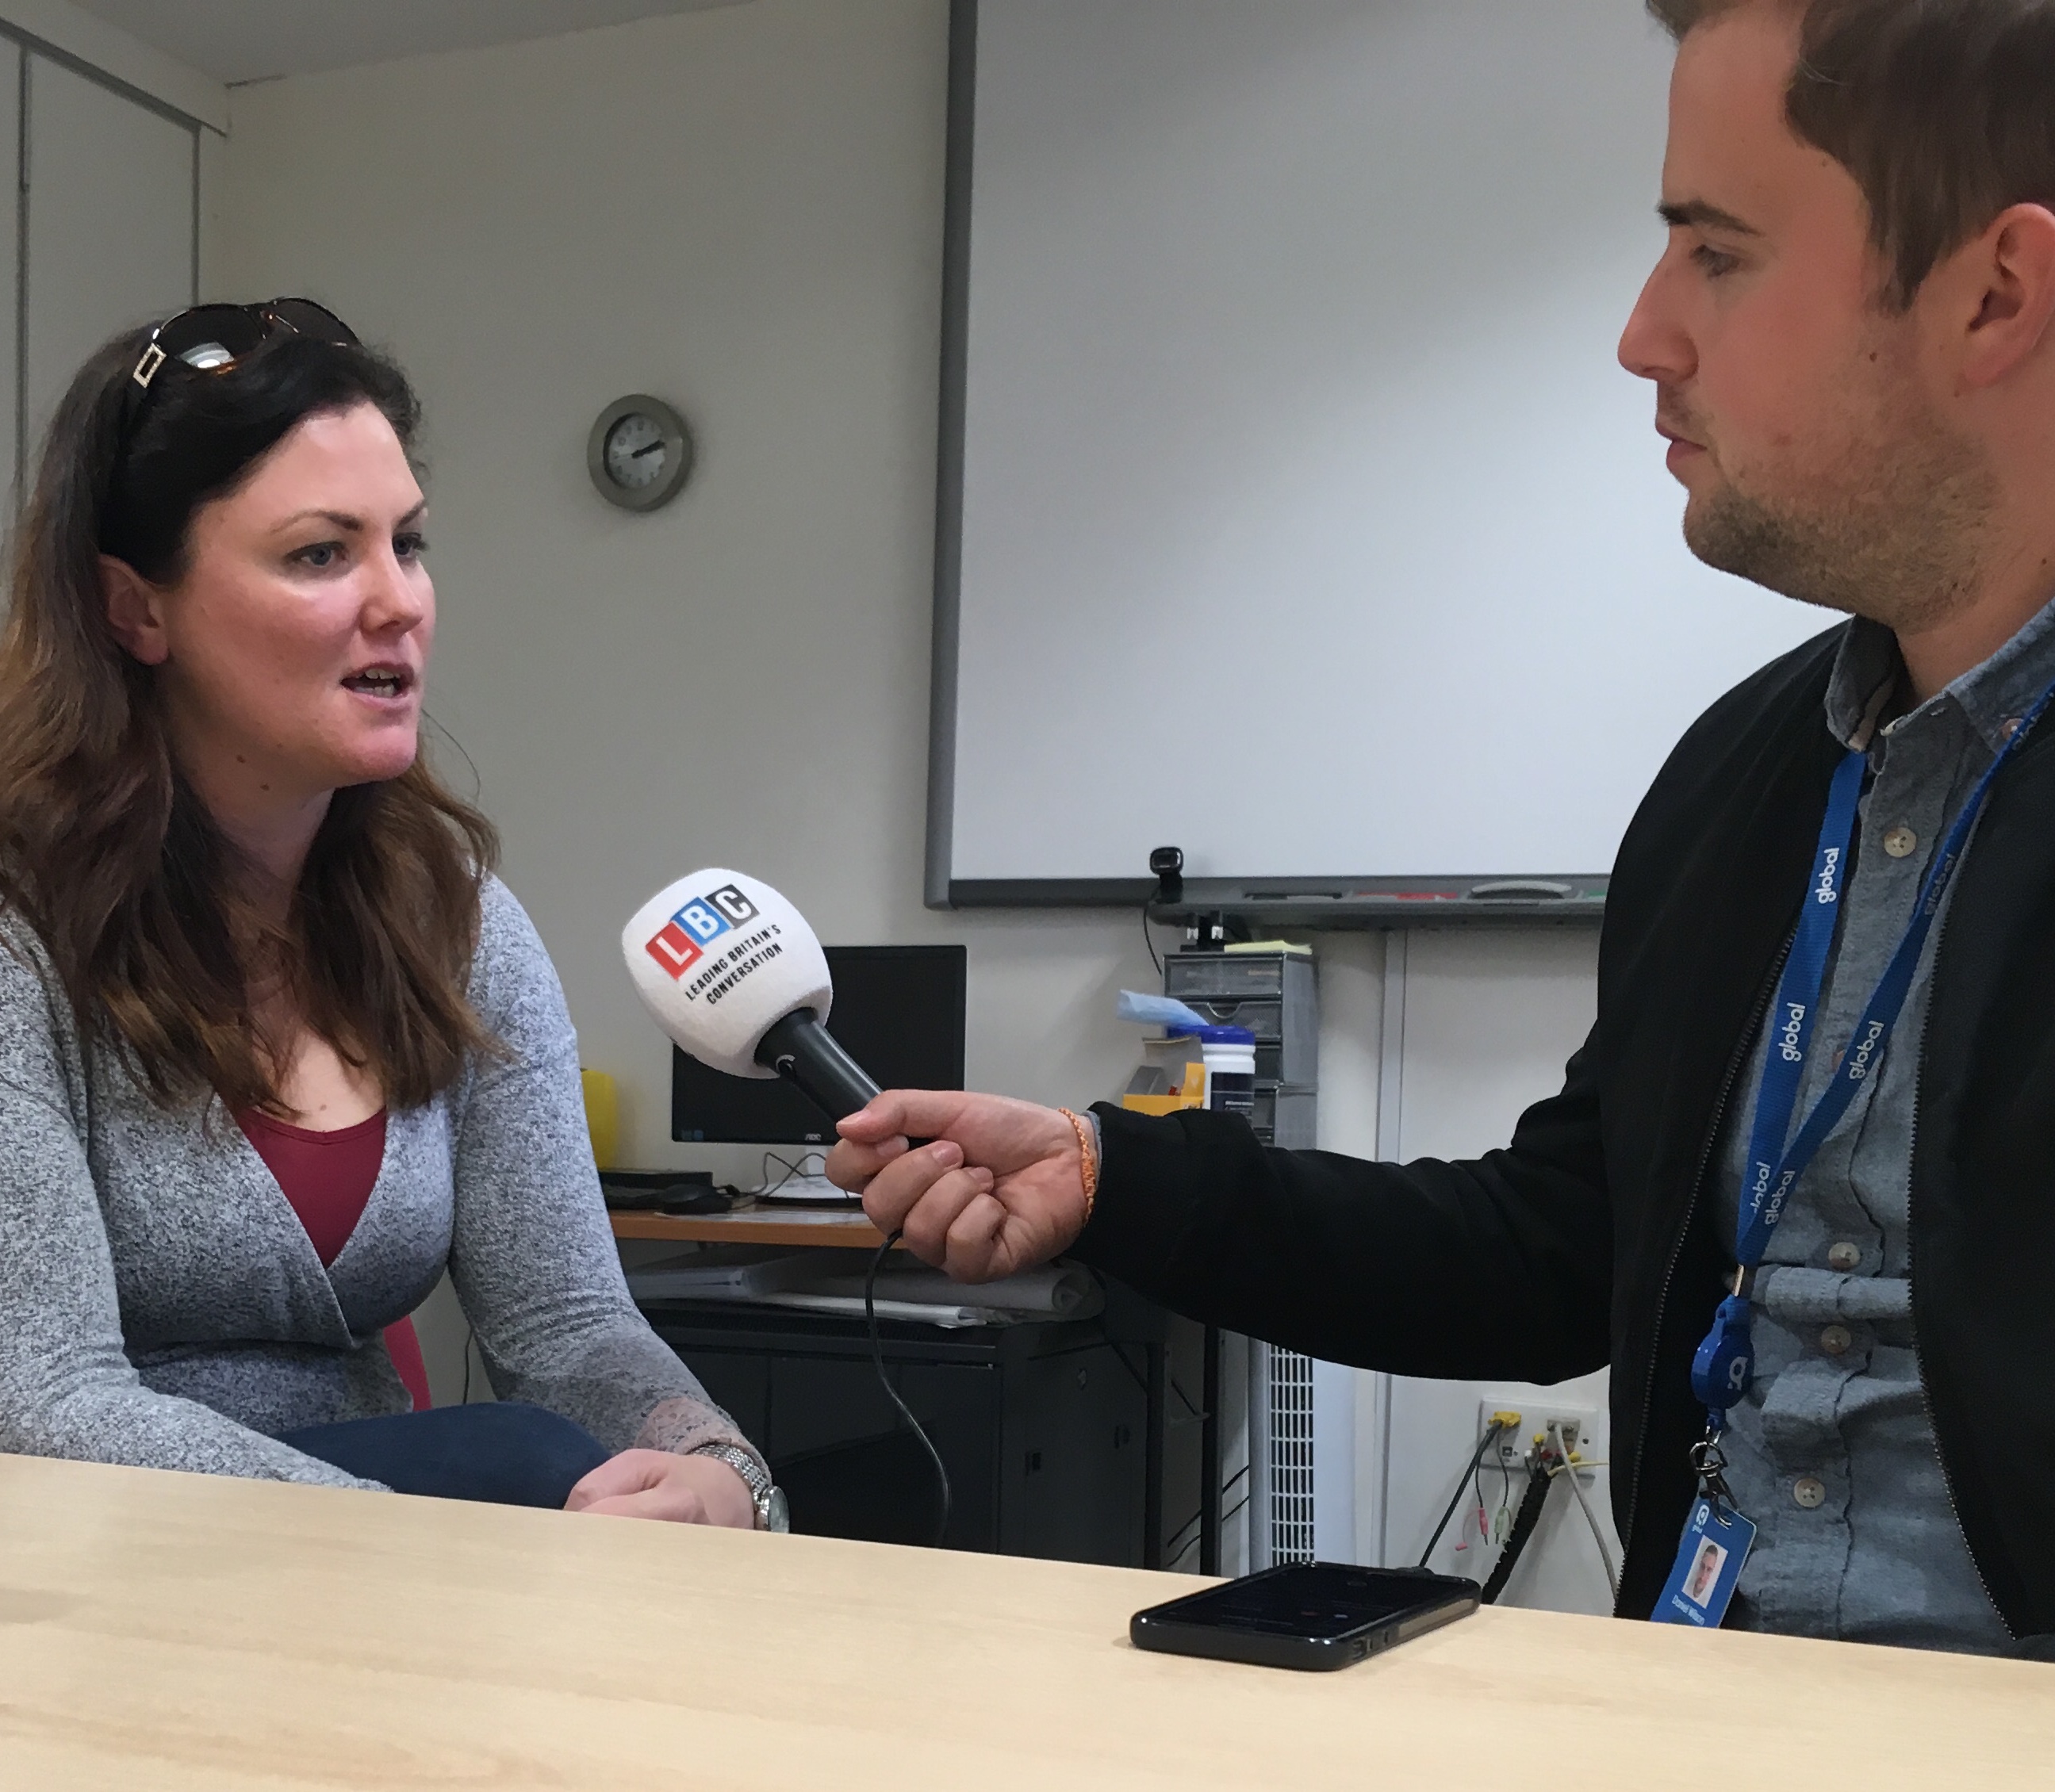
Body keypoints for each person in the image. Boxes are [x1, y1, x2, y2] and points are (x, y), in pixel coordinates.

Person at [830, 0, 2055, 1652]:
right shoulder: (1750, 776)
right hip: (1700, 1696)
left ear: (1995, 296)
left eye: (1716, 252)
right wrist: (1114, 1179)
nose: (1643, 335)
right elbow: (1558, 1249)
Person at [0, 302, 780, 1531]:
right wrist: (430, 1542)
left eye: (407, 545)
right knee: (520, 1461)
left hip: (380, 1564)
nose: (400, 602)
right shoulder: (21, 932)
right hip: (98, 1578)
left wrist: (715, 1466)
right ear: (133, 609)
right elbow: (47, 1405)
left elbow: (566, 1322)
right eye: (321, 554)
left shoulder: (455, 919)